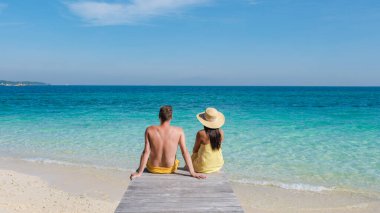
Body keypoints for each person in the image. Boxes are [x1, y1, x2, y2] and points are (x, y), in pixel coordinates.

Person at [130, 105, 206, 180]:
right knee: (176, 160)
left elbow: (146, 152)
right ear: (171, 117)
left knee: (147, 154)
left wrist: (139, 172)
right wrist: (192, 173)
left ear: (159, 117)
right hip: (170, 169)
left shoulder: (149, 130)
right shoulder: (179, 131)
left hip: (153, 168)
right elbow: (184, 152)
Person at [191, 107, 225, 173]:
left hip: (203, 167)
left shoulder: (201, 133)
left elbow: (195, 150)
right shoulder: (221, 132)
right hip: (218, 164)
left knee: (191, 159)